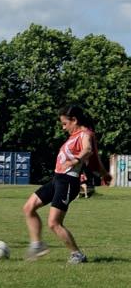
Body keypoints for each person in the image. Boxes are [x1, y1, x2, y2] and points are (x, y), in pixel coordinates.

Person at [23, 105, 93, 264]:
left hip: (68, 181)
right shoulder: (72, 137)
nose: (63, 127)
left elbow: (88, 149)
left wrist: (75, 160)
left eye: (65, 123)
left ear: (74, 120)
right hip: (57, 179)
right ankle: (37, 245)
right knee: (28, 208)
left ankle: (77, 254)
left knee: (54, 223)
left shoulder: (84, 134)